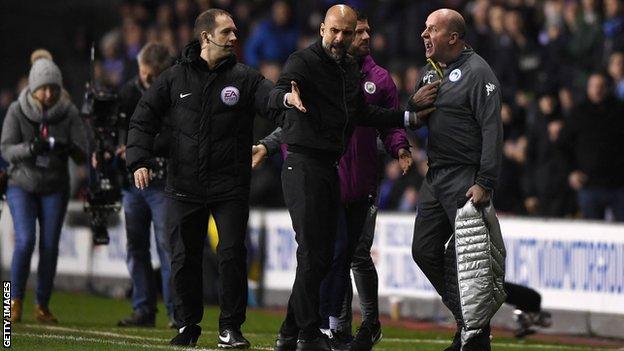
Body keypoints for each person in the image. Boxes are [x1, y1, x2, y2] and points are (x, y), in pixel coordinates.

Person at [264, 4, 431, 351]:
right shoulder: (303, 62)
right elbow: (274, 94)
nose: (341, 38)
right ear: (323, 28)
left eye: (348, 32)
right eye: (336, 31)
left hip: (332, 170)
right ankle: (310, 334)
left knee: (328, 256)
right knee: (317, 254)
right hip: (304, 165)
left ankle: (291, 332)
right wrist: (286, 99)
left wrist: (408, 121)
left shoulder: (350, 71)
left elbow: (363, 113)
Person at [126, 9, 274, 348]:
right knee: (183, 259)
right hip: (184, 186)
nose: (235, 38)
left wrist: (286, 99)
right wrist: (138, 160)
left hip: (230, 186)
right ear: (206, 38)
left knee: (232, 254)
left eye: (236, 31)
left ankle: (230, 328)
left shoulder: (245, 78)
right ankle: (187, 325)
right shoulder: (173, 78)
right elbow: (142, 119)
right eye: (227, 32)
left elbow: (271, 99)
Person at [409, 9, 503, 351]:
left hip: (465, 178)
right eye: (424, 27)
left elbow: (493, 129)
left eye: (431, 29)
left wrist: (485, 181)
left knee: (471, 262)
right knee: (423, 250)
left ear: (453, 37)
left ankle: (476, 339)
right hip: (435, 177)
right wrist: (412, 105)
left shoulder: (479, 72)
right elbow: (412, 121)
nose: (424, 34)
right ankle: (469, 322)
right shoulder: (429, 72)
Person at [1, 49, 88, 324]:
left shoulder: (69, 112)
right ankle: (12, 302)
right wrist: (30, 148)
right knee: (25, 241)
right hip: (22, 184)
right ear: (33, 87)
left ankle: (43, 304)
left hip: (54, 186)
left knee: (50, 245)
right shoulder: (17, 110)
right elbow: (5, 150)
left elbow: (83, 151)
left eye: (53, 88)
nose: (49, 94)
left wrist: (69, 149)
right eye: (44, 89)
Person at [105, 42, 175, 328]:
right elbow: (116, 132)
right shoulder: (127, 93)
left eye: (149, 75)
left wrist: (136, 149)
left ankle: (176, 314)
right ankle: (143, 309)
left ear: (160, 73)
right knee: (136, 247)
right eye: (142, 73)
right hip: (132, 182)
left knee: (167, 247)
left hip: (162, 183)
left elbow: (174, 137)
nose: (143, 79)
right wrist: (117, 149)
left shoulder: (174, 95)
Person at [558, 72, 624, 221]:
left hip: (618, 186)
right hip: (589, 186)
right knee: (593, 234)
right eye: (593, 86)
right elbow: (562, 146)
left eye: (601, 86)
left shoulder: (620, 111)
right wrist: (571, 171)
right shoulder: (578, 112)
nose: (597, 90)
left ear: (608, 88)